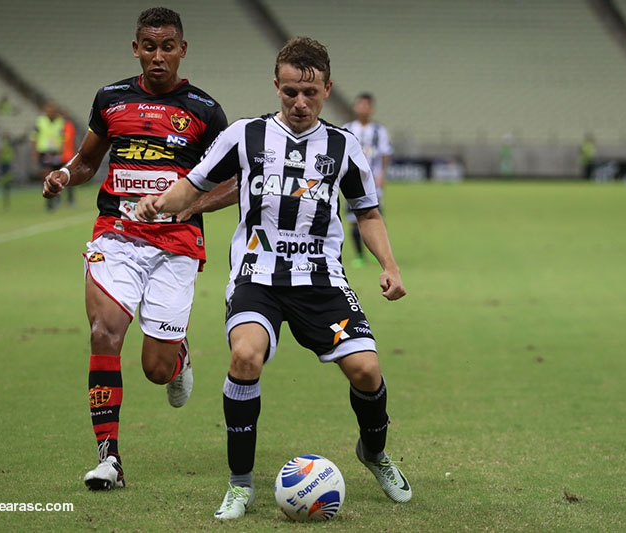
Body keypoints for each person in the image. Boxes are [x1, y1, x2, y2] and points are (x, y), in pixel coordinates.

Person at [136, 36, 412, 520]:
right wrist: (159, 203)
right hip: (257, 275)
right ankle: (240, 484)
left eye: (310, 93)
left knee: (367, 371)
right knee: (245, 356)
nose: (299, 102)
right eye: (290, 92)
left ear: (327, 89)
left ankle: (374, 453)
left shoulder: (344, 146)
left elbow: (367, 213)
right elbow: (194, 185)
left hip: (321, 280)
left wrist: (390, 267)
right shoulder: (245, 135)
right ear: (276, 87)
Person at [41, 7, 230, 491]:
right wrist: (64, 174)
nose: (158, 56)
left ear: (182, 49)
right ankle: (109, 459)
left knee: (155, 370)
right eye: (149, 47)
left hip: (176, 245)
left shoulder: (205, 111)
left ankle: (177, 356)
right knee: (103, 333)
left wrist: (192, 205)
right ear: (136, 49)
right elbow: (88, 162)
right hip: (116, 235)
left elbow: (235, 181)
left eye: (167, 47)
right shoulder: (111, 99)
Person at [343, 93, 393, 267]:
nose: (363, 108)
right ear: (355, 107)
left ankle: (377, 252)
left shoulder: (380, 131)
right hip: (351, 181)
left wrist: (382, 174)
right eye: (360, 105)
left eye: (367, 105)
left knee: (375, 216)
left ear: (372, 108)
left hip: (373, 181)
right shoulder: (347, 128)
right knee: (353, 219)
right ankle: (359, 255)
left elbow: (385, 154)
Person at [33, 101, 65, 210]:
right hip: (44, 151)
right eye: (48, 110)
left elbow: (64, 137)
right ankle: (49, 200)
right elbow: (34, 137)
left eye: (52, 110)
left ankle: (57, 196)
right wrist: (35, 153)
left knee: (57, 175)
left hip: (57, 151)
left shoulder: (60, 122)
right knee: (46, 174)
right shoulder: (40, 121)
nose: (50, 112)